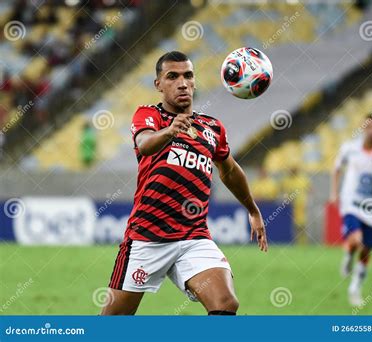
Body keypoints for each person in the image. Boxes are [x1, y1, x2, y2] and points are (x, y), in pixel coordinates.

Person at [101, 51, 268, 315]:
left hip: (193, 237)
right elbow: (144, 145)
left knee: (226, 303)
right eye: (172, 76)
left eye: (188, 75)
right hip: (147, 237)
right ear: (158, 84)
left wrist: (252, 209)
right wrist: (169, 131)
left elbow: (230, 171)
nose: (182, 83)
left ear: (195, 81)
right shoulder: (149, 116)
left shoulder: (211, 128)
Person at [330, 114, 372, 306]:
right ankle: (349, 254)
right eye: (368, 127)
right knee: (356, 239)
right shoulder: (349, 148)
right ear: (363, 128)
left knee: (367, 249)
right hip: (351, 202)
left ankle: (355, 287)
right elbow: (336, 168)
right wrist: (334, 192)